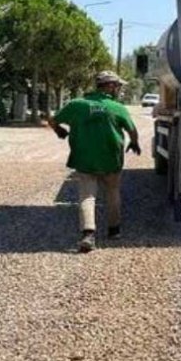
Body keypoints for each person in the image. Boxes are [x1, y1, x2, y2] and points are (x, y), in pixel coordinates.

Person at [49, 71, 141, 252]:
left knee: (87, 195)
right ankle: (114, 230)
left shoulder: (76, 105)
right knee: (112, 191)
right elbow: (132, 130)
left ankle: (88, 235)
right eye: (117, 86)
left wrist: (59, 130)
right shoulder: (117, 107)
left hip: (84, 158)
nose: (118, 90)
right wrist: (134, 143)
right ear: (111, 87)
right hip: (111, 159)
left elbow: (53, 120)